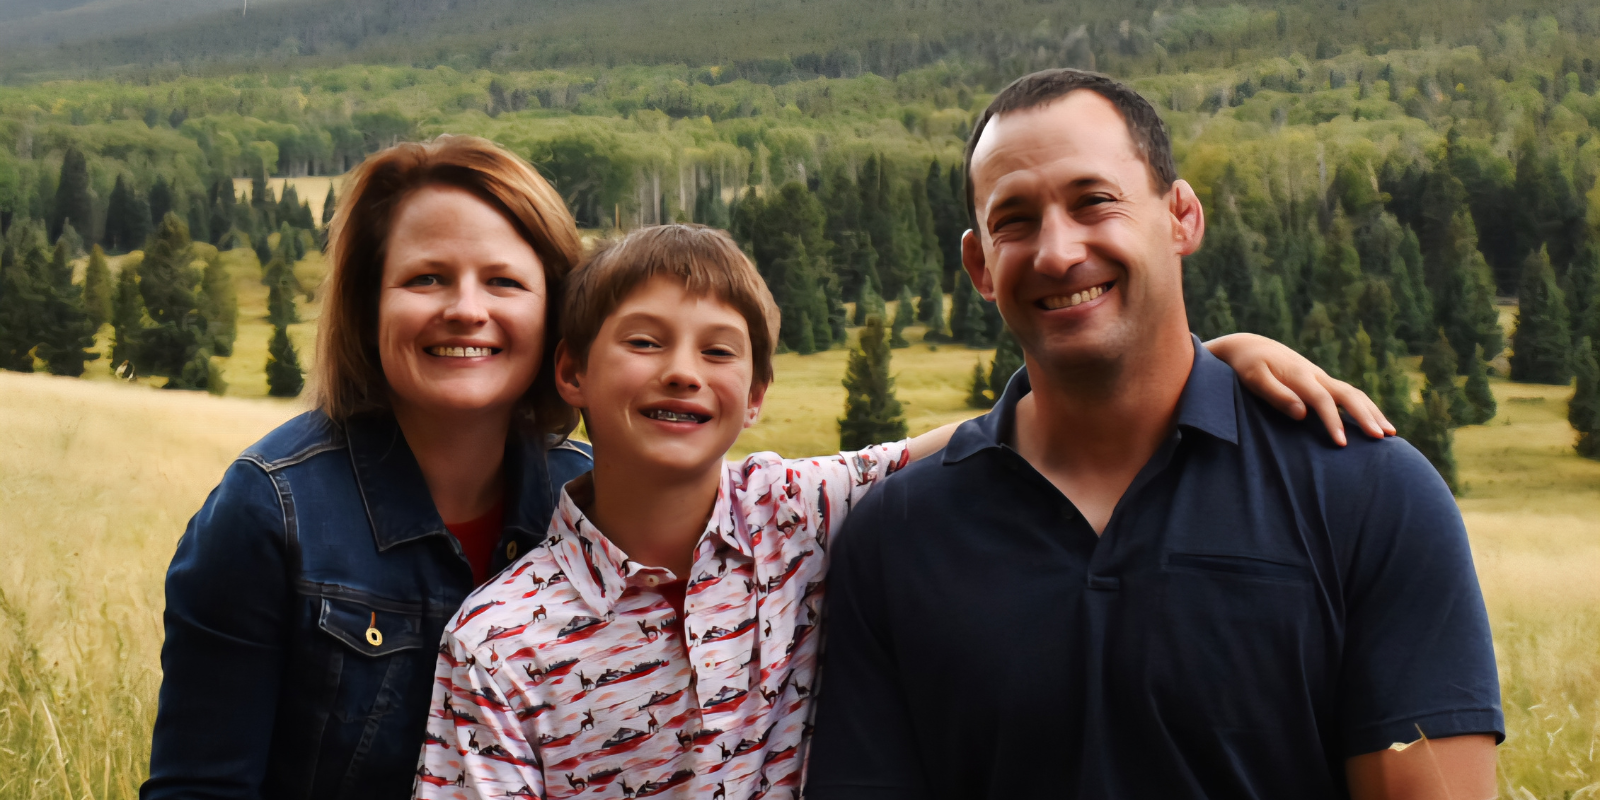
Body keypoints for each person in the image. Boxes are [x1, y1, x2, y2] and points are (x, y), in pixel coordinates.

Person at [411, 225, 1390, 799]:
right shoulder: (499, 640)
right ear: (574, 371)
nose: (681, 370)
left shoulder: (796, 510)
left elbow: (1006, 427)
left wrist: (1201, 356)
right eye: (643, 341)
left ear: (755, 395)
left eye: (718, 350)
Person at [804, 68, 1503, 800]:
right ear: (979, 265)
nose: (1057, 252)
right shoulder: (896, 535)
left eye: (1094, 201)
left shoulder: (1368, 493)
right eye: (1013, 219)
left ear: (1182, 218)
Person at [142, 136, 595, 799]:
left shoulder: (591, 502)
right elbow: (201, 789)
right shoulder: (269, 513)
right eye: (426, 278)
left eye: (503, 281)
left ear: (555, 314)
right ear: (368, 305)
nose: (467, 308)